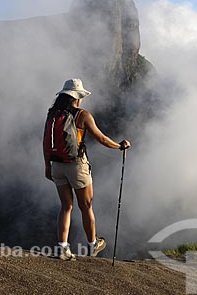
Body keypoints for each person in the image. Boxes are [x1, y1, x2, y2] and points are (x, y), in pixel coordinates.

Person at [43, 78, 131, 260]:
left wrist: (47, 166)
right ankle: (93, 244)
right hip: (76, 166)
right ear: (77, 98)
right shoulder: (82, 115)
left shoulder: (53, 114)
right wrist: (119, 146)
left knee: (66, 206)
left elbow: (45, 141)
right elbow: (102, 138)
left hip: (57, 164)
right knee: (86, 206)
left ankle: (62, 248)